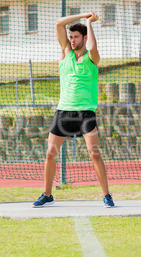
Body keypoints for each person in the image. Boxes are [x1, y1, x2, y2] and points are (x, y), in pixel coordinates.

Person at [33, 12, 115, 208]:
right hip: (63, 112)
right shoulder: (65, 53)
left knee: (94, 153)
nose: (72, 40)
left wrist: (89, 23)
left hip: (85, 113)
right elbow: (58, 22)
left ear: (84, 38)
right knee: (50, 154)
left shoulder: (92, 58)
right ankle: (47, 194)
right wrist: (83, 14)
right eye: (71, 37)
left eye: (76, 37)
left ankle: (107, 195)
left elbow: (94, 47)